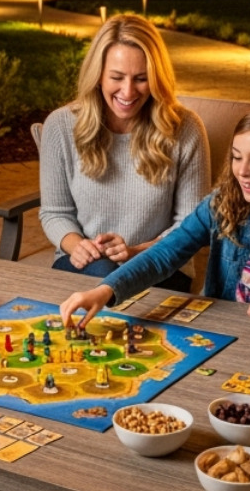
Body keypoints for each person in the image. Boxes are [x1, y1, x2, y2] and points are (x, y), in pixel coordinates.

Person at [60, 104, 250, 325]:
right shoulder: (219, 206)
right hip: (225, 330)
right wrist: (105, 290)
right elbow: (163, 255)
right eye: (236, 157)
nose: (242, 171)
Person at [41, 15, 209, 289]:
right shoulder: (60, 126)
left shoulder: (186, 129)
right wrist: (78, 245)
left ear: (156, 78)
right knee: (104, 274)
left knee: (115, 287)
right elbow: (54, 212)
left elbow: (192, 225)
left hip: (160, 265)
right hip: (83, 265)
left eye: (142, 79)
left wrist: (136, 252)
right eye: (117, 77)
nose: (128, 91)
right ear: (98, 75)